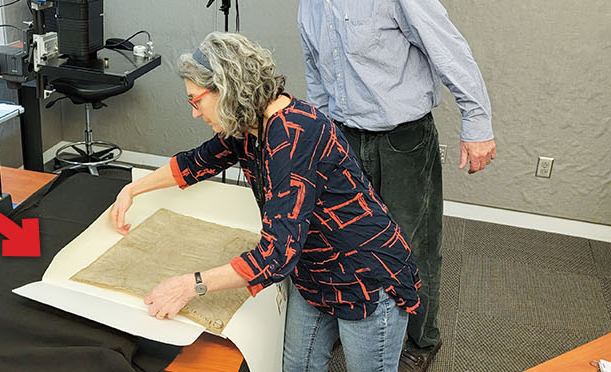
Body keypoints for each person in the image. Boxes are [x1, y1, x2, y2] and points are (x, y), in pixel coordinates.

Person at [277, 0, 498, 372]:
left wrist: (476, 121)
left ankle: (419, 342)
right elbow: (317, 80)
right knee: (340, 240)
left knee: (410, 245)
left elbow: (448, 48)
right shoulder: (308, 4)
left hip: (402, 140)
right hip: (342, 140)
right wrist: (315, 141)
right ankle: (347, 324)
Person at [108, 32, 421, 372]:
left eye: (195, 101)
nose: (195, 113)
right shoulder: (246, 127)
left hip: (365, 275)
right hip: (313, 271)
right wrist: (133, 189)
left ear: (225, 89)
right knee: (297, 367)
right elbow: (195, 163)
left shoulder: (292, 135)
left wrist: (191, 285)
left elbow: (276, 254)